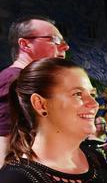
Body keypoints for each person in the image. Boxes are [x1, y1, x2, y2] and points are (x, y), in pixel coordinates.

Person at [0, 15, 69, 168]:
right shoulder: (14, 79)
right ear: (25, 44)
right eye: (54, 40)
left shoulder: (31, 81)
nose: (65, 47)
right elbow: (4, 142)